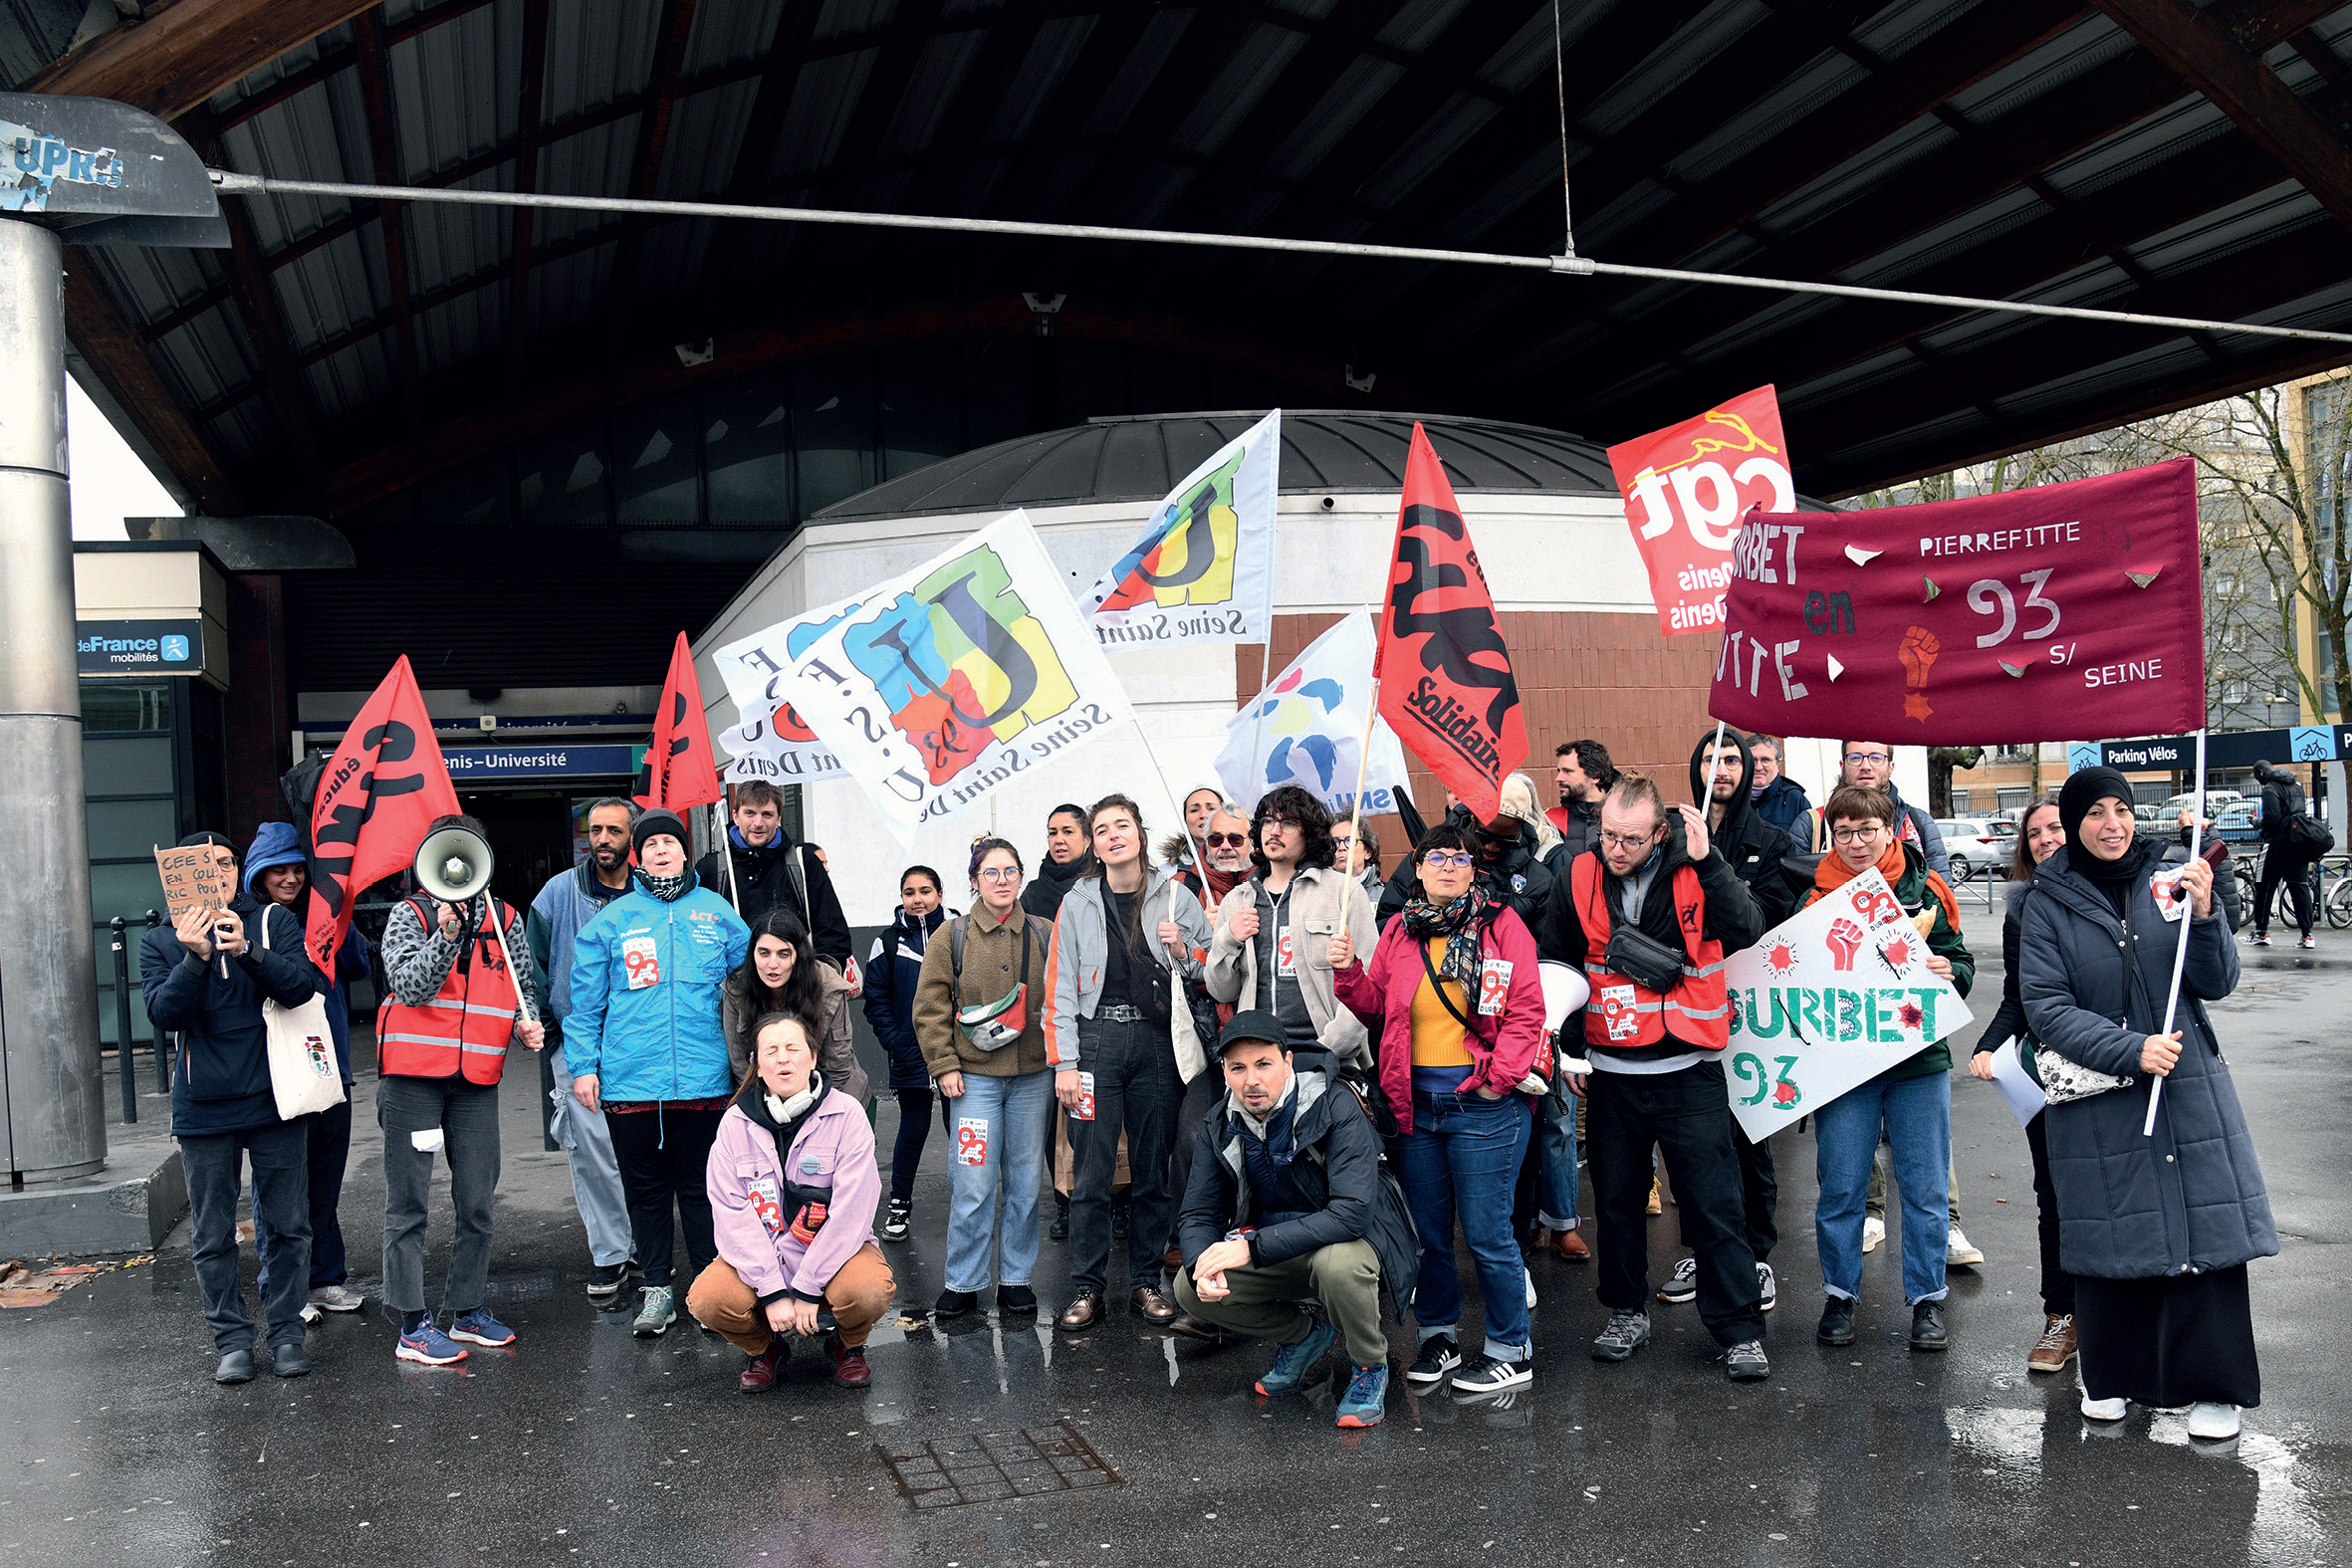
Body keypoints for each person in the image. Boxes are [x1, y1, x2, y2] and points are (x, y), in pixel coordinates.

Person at [2020, 767, 2268, 1441]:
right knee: (2112, 1230)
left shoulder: (2172, 877)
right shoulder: (2045, 903)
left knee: (2203, 1233)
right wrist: (2131, 1050)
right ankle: (2112, 1377)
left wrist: (2208, 914)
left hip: (2187, 1087)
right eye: (2095, 813)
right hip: (2102, 1097)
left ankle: (2214, 1387)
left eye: (2122, 809)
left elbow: (2216, 981)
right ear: (2075, 824)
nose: (2113, 824)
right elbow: (2046, 1007)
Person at [1537, 775, 1772, 1382]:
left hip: (1688, 1072)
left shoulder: (1697, 865)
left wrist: (1710, 862)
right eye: (1608, 835)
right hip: (1611, 1075)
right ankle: (1625, 1313)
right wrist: (1571, 1052)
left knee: (1715, 1206)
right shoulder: (1577, 874)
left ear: (1660, 833)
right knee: (1616, 1206)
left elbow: (1748, 931)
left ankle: (1740, 1331)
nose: (1615, 849)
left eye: (1631, 839)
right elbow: (1557, 960)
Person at [1331, 823, 1545, 1394]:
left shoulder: (1502, 926)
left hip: (1483, 1106)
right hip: (1415, 1108)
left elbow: (1526, 1010)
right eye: (1436, 857)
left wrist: (1498, 1081)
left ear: (1474, 871)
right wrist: (1348, 972)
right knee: (1428, 1234)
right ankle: (1439, 1336)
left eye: (1460, 858)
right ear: (1419, 868)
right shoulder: (1400, 929)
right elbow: (1378, 1010)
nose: (1448, 866)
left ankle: (1511, 1348)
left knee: (1487, 1235)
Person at [1172, 1011, 1418, 1428]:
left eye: (1263, 1064)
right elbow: (1198, 1213)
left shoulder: (1335, 1103)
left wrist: (1250, 1248)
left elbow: (1352, 1214)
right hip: (1278, 1248)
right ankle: (1305, 1336)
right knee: (1189, 1285)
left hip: (1351, 1242)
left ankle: (1370, 1365)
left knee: (1338, 1265)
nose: (1252, 1080)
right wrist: (1202, 1262)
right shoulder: (1221, 1121)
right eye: (1238, 1068)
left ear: (1287, 1062)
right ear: (1225, 1072)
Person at [140, 832, 321, 1384]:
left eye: (224, 863)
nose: (214, 874)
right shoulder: (159, 940)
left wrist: (247, 951)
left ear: (236, 871)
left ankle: (286, 1333)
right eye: (200, 865)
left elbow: (301, 988)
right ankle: (232, 1341)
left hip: (276, 1098)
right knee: (212, 1233)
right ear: (177, 876)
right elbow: (164, 1014)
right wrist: (196, 958)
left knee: (288, 1225)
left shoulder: (270, 920)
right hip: (204, 1108)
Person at [1801, 785, 1973, 1355]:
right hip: (1845, 1068)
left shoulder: (1927, 889)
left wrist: (1949, 970)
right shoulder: (1814, 898)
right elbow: (1794, 977)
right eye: (1844, 832)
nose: (1856, 843)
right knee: (1841, 1184)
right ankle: (1839, 1295)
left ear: (1890, 829)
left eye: (1867, 830)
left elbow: (1962, 963)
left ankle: (1927, 1300)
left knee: (1924, 1186)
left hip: (1918, 1063)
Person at [568, 807, 752, 1338]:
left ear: (684, 851)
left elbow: (752, 985)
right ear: (638, 856)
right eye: (650, 845)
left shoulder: (717, 912)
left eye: (670, 842)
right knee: (645, 1193)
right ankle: (656, 1291)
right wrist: (583, 1067)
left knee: (703, 1190)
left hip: (706, 1079)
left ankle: (710, 1291)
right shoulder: (612, 922)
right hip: (631, 1080)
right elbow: (584, 1005)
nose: (661, 850)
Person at [374, 812, 546, 1364]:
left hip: (476, 1081)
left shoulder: (506, 918)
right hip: (413, 1079)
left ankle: (466, 1310)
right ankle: (411, 1324)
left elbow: (521, 987)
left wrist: (525, 1024)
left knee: (477, 1202)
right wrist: (446, 937)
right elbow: (409, 986)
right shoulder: (409, 914)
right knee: (408, 1205)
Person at [1044, 793, 1216, 1330]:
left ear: (1140, 834)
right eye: (1102, 830)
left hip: (1157, 1042)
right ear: (1093, 846)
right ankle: (1087, 1289)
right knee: (1091, 1173)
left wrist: (1183, 950)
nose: (1113, 835)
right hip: (1094, 1043)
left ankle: (1146, 1283)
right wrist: (1064, 1063)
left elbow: (1214, 970)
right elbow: (1059, 989)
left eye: (1122, 825)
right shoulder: (1076, 902)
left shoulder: (1177, 896)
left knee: (1152, 1172)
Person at [1650, 730, 1798, 1312]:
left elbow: (1763, 925)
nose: (1723, 768)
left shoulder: (1772, 840)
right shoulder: (1671, 836)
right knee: (1694, 1143)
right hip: (1687, 1010)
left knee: (1748, 1140)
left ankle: (1755, 1256)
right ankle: (1700, 1250)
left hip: (1751, 1013)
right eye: (1712, 758)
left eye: (1732, 758)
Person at [687, 1011, 895, 1390]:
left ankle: (847, 1345)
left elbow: (852, 1212)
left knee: (867, 1291)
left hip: (836, 1253)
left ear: (813, 1057)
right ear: (757, 1065)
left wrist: (808, 1287)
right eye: (771, 1051)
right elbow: (731, 1213)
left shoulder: (847, 1115)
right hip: (762, 1256)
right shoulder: (734, 1123)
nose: (782, 1058)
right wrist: (770, 1289)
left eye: (792, 1048)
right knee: (707, 1299)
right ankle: (764, 1347)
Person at [911, 838, 1054, 1319]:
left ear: (1021, 876)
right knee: (972, 1184)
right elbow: (929, 1007)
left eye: (1010, 871)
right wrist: (944, 1064)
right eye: (990, 872)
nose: (1002, 881)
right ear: (974, 880)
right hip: (973, 1083)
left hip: (1033, 1080)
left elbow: (1063, 998)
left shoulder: (1043, 932)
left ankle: (1016, 1279)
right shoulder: (950, 936)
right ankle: (963, 1281)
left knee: (1025, 1184)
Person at [241, 821, 370, 1320]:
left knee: (324, 1180)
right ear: (258, 875)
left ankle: (324, 1280)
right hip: (277, 1072)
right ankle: (282, 1288)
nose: (291, 879)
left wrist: (340, 915)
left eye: (298, 869)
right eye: (279, 871)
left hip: (331, 1067)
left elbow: (358, 967)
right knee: (279, 1187)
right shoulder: (248, 925)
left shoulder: (324, 913)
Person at [1968, 795, 2077, 1373]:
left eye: (2055, 827)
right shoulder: (2022, 909)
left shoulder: (2111, 897)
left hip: (2113, 1067)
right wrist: (1988, 1045)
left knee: (2114, 1195)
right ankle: (2062, 1315)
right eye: (2034, 833)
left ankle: (2120, 1316)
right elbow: (2019, 997)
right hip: (2046, 1074)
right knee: (2053, 1196)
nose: (2045, 839)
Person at [528, 796, 642, 1299]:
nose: (603, 840)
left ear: (631, 837)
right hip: (577, 1047)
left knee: (638, 1149)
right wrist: (554, 1035)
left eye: (614, 831)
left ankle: (645, 1245)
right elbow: (531, 965)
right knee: (593, 1153)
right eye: (596, 830)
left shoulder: (648, 892)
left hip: (641, 1045)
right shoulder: (558, 893)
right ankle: (612, 1254)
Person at [1205, 785, 1378, 1076]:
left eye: (1288, 823)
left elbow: (1369, 982)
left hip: (1326, 1058)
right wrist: (1228, 939)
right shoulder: (1238, 899)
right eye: (1268, 822)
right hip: (1257, 1060)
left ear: (1309, 833)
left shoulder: (1343, 891)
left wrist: (1330, 1048)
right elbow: (1221, 990)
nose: (1274, 831)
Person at [864, 865, 952, 1243]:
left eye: (926, 891)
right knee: (913, 1129)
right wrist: (894, 1039)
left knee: (961, 1130)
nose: (918, 899)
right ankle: (899, 1204)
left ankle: (968, 1204)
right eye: (910, 892)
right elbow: (875, 997)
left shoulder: (959, 932)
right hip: (910, 1051)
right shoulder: (887, 941)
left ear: (940, 894)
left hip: (957, 1054)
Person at [695, 781, 850, 964]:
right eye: (750, 813)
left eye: (767, 814)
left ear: (778, 819)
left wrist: (817, 976)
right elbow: (697, 940)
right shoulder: (711, 869)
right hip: (735, 980)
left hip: (797, 979)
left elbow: (833, 935)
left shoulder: (804, 864)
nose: (758, 823)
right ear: (735, 816)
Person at [723, 909, 867, 1103]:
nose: (772, 964)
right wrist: (770, 1109)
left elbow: (837, 1065)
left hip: (832, 1093)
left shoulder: (828, 986)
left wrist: (807, 1109)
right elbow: (741, 1067)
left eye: (783, 954)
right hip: (764, 1097)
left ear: (799, 955)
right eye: (764, 953)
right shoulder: (736, 990)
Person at [1799, 743, 1948, 875]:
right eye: (1855, 758)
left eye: (1876, 758)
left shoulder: (1918, 822)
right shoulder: (1812, 823)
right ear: (1842, 766)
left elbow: (1940, 890)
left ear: (1891, 767)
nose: (1865, 766)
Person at [2250, 759, 2319, 949]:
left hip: (2277, 844)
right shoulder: (2296, 786)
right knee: (2299, 888)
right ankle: (2307, 935)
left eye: (2257, 777)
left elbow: (2272, 819)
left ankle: (2261, 932)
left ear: (2261, 773)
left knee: (2264, 887)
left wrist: (2257, 822)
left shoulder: (2270, 789)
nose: (2258, 781)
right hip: (2298, 843)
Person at [1021, 802, 1095, 921]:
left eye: (1068, 832)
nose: (1059, 840)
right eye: (1053, 833)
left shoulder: (1099, 885)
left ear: (1087, 839)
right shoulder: (1033, 892)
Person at [1547, 740, 1614, 861]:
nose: (1558, 778)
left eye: (1567, 771)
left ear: (1595, 776)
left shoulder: (1625, 818)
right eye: (1559, 771)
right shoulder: (1548, 821)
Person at [1747, 734, 1810, 835]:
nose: (1758, 767)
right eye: (1752, 760)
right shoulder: (1732, 798)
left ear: (1777, 765)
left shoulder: (1794, 799)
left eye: (1766, 760)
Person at [1157, 786, 1227, 872]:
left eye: (1211, 808)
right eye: (1194, 810)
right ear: (1185, 821)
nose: (1203, 815)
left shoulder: (1241, 865)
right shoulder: (1168, 874)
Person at [1332, 817, 1384, 905]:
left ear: (1368, 852)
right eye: (1335, 842)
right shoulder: (1317, 893)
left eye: (1350, 840)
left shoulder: (1384, 896)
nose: (1341, 847)